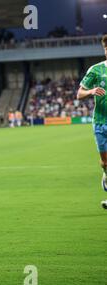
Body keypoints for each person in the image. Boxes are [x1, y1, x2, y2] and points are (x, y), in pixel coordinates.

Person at [77, 34, 107, 208]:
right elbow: (79, 93)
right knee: (105, 162)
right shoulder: (96, 70)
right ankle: (105, 173)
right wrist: (91, 91)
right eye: (105, 48)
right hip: (101, 122)